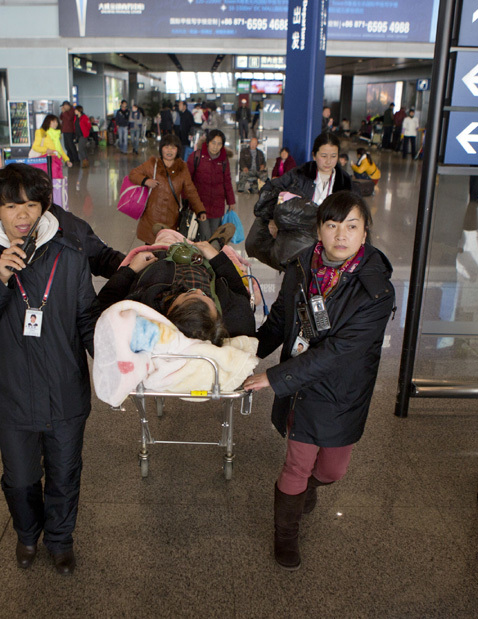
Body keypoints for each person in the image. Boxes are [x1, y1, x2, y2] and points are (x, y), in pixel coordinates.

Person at [242, 191, 395, 571]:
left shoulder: (376, 291)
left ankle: (308, 488)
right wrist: (243, 356)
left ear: (365, 233)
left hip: (342, 391)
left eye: (351, 226)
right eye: (332, 225)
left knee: (330, 471)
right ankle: (286, 537)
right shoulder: (299, 267)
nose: (340, 235)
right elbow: (279, 321)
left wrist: (274, 378)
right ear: (319, 230)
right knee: (296, 465)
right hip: (301, 388)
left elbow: (340, 351)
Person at [0, 163, 98, 575]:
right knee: (20, 479)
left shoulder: (69, 253)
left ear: (44, 207)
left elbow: (86, 318)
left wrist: (115, 364)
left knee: (64, 473)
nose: (22, 216)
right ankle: (26, 534)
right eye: (11, 207)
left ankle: (60, 540)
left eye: (31, 205)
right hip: (10, 392)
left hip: (64, 388)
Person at [95, 234, 255, 341]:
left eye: (187, 295)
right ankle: (215, 242)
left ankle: (165, 232)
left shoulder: (142, 307)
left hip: (159, 257)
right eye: (207, 298)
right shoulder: (236, 320)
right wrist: (217, 258)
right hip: (204, 262)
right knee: (204, 243)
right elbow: (240, 293)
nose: (199, 291)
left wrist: (129, 270)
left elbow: (102, 307)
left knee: (166, 236)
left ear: (169, 312)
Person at [247, 132, 352, 271]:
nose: (328, 161)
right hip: (297, 247)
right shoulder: (300, 174)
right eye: (323, 156)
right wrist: (273, 218)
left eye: (333, 156)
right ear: (314, 155)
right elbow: (270, 189)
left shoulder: (344, 182)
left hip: (330, 246)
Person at [129, 133, 206, 245]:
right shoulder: (152, 165)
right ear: (161, 149)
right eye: (166, 147)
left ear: (178, 150)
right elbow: (133, 174)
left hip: (171, 220)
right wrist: (146, 181)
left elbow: (191, 191)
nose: (169, 151)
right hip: (151, 218)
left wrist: (200, 210)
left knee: (167, 250)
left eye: (173, 147)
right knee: (150, 252)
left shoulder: (182, 168)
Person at [187, 129, 235, 239]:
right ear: (208, 142)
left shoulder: (223, 160)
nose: (215, 147)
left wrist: (231, 201)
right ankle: (203, 255)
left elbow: (227, 180)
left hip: (217, 204)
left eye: (219, 144)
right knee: (206, 235)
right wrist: (187, 200)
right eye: (213, 143)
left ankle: (210, 256)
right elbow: (187, 180)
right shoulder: (196, 157)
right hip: (200, 204)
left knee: (214, 236)